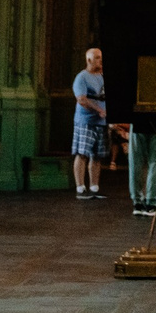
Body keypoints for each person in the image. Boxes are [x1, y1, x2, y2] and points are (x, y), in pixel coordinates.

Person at [71, 47, 107, 200]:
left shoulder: (103, 77)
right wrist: (98, 109)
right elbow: (82, 99)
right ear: (89, 60)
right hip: (85, 121)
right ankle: (80, 187)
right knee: (82, 153)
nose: (101, 60)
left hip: (101, 122)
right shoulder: (82, 78)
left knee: (97, 155)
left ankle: (94, 186)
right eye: (98, 57)